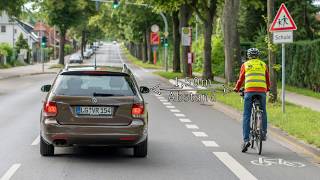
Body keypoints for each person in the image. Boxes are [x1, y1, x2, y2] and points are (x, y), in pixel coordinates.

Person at [233, 48, 270, 153]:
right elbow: (267, 79)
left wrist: (236, 88)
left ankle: (246, 140)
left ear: (248, 56)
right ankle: (263, 133)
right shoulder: (263, 65)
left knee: (246, 115)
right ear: (258, 56)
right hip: (262, 91)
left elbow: (241, 79)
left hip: (249, 91)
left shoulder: (245, 65)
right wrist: (268, 88)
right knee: (263, 111)